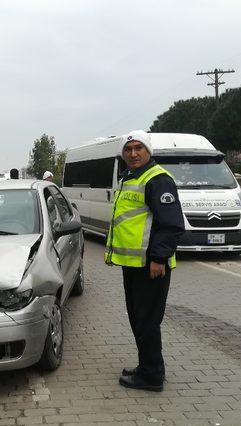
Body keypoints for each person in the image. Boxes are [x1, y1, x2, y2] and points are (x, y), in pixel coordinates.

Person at [105, 130, 185, 392]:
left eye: (139, 148)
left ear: (148, 151)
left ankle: (151, 377)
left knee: (147, 321)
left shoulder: (158, 179)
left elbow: (170, 224)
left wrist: (159, 258)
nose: (133, 153)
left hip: (151, 266)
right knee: (139, 319)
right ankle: (148, 366)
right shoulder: (130, 177)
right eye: (128, 150)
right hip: (134, 264)